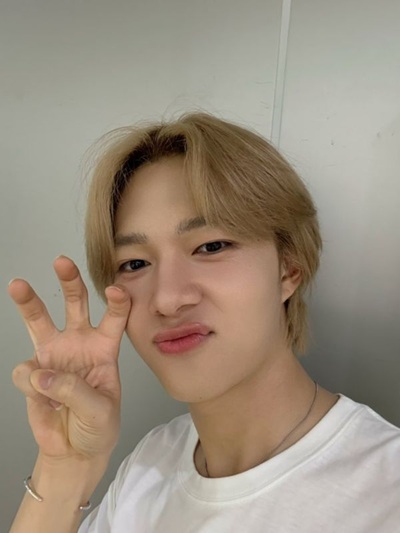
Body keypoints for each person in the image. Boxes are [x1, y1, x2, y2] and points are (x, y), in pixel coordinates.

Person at [8, 112, 400, 533]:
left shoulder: (384, 492)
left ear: (288, 268)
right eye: (135, 263)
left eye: (211, 246)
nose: (167, 299)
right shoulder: (149, 465)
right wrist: (66, 467)